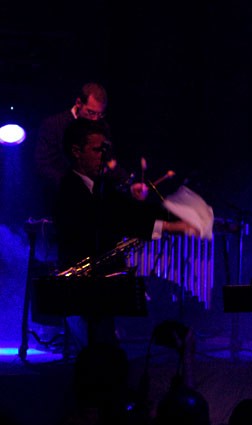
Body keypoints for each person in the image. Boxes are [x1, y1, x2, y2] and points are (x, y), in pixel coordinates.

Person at [54, 118, 196, 348]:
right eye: (97, 150)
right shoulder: (69, 188)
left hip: (102, 283)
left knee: (107, 343)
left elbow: (129, 212)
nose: (103, 156)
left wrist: (177, 216)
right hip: (81, 284)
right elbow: (110, 219)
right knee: (99, 346)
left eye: (105, 150)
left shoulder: (103, 186)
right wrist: (168, 227)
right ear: (76, 152)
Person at [35, 82, 110, 193]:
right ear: (79, 103)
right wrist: (72, 187)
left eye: (99, 114)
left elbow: (109, 161)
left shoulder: (101, 127)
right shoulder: (54, 125)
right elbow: (44, 165)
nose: (95, 119)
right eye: (91, 112)